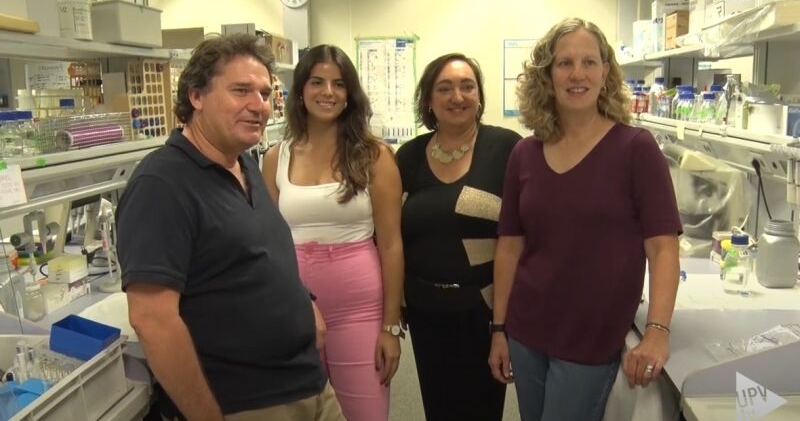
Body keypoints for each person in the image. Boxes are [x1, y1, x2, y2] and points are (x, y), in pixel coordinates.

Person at [117, 34, 345, 421]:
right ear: (196, 96)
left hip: (308, 383)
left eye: (264, 93)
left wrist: (304, 301)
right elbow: (152, 320)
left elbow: (259, 251)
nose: (258, 106)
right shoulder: (162, 184)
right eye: (241, 91)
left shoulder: (243, 164)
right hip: (248, 402)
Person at [488, 18, 682, 421]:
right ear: (548, 75)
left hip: (591, 338)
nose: (577, 74)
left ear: (605, 72)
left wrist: (657, 332)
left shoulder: (635, 149)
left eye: (589, 62)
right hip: (526, 330)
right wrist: (499, 329)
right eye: (565, 63)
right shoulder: (525, 154)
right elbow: (509, 247)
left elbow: (663, 248)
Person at [261, 44, 404, 421]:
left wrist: (391, 327)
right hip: (294, 306)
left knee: (365, 412)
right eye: (317, 82)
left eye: (339, 84)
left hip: (359, 308)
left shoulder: (374, 155)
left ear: (350, 93)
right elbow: (269, 243)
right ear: (300, 90)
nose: (328, 92)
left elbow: (391, 244)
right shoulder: (276, 157)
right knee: (302, 412)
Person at [396, 53, 522, 421]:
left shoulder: (506, 148)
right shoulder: (408, 156)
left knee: (481, 410)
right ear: (428, 99)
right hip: (424, 311)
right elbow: (392, 235)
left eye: (468, 86)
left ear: (479, 96)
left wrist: (502, 326)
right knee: (438, 409)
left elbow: (519, 237)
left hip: (482, 312)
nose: (457, 97)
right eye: (445, 88)